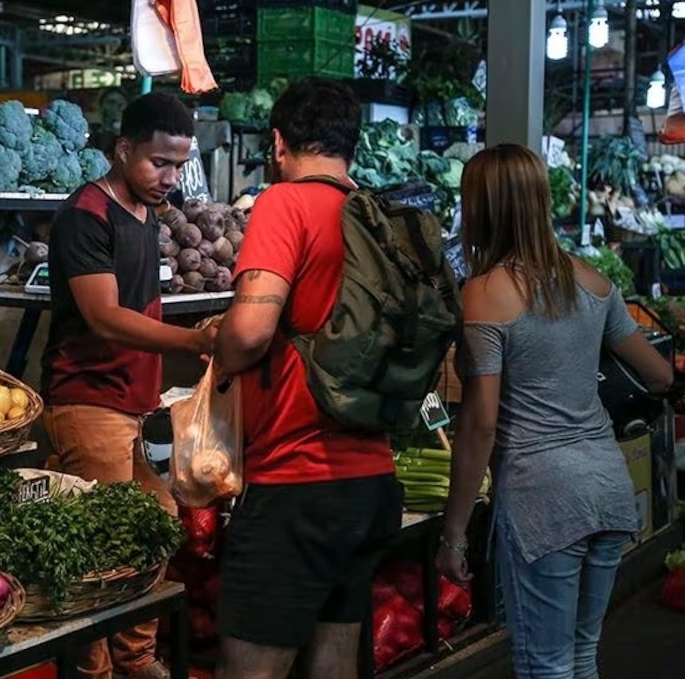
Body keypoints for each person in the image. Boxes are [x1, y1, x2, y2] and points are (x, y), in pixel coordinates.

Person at [435, 144, 673, 679]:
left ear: (482, 209)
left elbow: (480, 424)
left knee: (543, 664)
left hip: (544, 500)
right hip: (607, 486)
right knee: (580, 656)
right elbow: (660, 375)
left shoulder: (485, 294)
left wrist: (453, 534)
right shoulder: (591, 280)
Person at [212, 77, 404, 679]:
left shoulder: (284, 203)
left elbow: (248, 332)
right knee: (334, 661)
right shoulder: (376, 215)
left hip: (298, 477)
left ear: (278, 143)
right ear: (353, 144)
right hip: (370, 481)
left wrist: (217, 349)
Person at [41, 92, 217, 679]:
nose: (169, 177)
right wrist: (193, 343)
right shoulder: (86, 215)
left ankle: (134, 657)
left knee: (158, 524)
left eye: (178, 164)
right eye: (158, 162)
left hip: (132, 408)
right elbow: (105, 316)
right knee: (101, 549)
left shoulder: (146, 215)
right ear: (122, 149)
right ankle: (96, 671)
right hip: (87, 403)